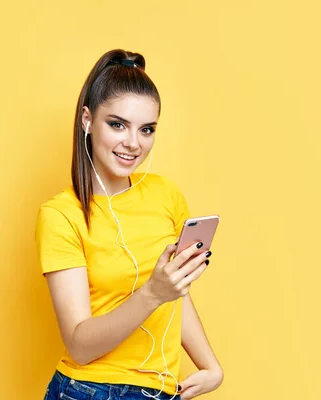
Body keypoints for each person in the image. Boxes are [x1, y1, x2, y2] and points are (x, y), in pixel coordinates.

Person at [35, 49, 223, 400]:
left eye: (146, 129)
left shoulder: (165, 194)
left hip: (159, 390)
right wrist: (153, 293)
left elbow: (175, 294)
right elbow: (79, 344)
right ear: (88, 120)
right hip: (89, 390)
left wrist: (210, 366)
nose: (133, 143)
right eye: (117, 124)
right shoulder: (61, 215)